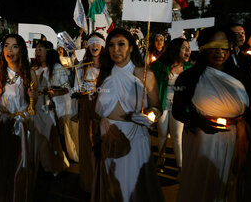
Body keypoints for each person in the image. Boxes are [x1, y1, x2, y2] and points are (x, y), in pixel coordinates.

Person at [172, 27, 251, 201]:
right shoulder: (189, 77)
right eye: (214, 47)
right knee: (204, 187)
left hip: (237, 139)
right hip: (203, 141)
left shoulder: (243, 77)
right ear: (203, 48)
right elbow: (178, 111)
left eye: (224, 47)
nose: (219, 52)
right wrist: (197, 122)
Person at [92, 28, 164, 202]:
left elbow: (156, 107)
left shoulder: (145, 75)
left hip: (135, 139)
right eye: (111, 45)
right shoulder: (105, 75)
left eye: (121, 44)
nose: (115, 49)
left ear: (131, 47)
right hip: (108, 138)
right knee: (112, 186)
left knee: (132, 188)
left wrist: (150, 116)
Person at [0, 34, 37, 202]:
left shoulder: (29, 73)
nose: (9, 50)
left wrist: (34, 96)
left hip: (22, 124)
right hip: (1, 123)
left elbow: (33, 104)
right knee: (2, 164)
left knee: (20, 164)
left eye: (14, 46)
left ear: (21, 50)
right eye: (6, 46)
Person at [150, 38, 192, 177]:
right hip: (162, 106)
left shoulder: (189, 69)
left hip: (178, 108)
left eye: (188, 48)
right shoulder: (160, 66)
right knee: (162, 135)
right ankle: (160, 161)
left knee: (177, 136)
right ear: (175, 50)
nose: (188, 51)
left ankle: (180, 167)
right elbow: (149, 79)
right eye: (184, 48)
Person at [71, 32, 104, 192]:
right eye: (92, 42)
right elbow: (75, 88)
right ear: (87, 45)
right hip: (86, 108)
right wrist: (78, 93)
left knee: (102, 144)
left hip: (103, 110)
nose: (94, 46)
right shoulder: (82, 67)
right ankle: (89, 181)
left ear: (102, 45)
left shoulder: (108, 68)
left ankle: (102, 181)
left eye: (97, 42)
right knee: (86, 143)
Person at [33, 40, 72, 175]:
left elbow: (66, 89)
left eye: (40, 50)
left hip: (53, 108)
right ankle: (43, 164)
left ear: (48, 52)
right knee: (40, 137)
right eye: (36, 50)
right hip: (38, 109)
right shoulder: (35, 70)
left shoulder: (56, 68)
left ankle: (56, 164)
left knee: (52, 137)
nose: (37, 53)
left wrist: (53, 93)